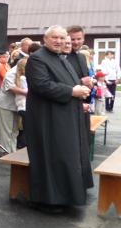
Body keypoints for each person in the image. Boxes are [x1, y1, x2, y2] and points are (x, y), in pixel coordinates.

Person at [25, 26, 93, 212]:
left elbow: (69, 82)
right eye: (54, 37)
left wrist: (80, 89)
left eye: (62, 38)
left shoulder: (60, 57)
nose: (59, 41)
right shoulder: (37, 59)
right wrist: (72, 91)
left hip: (63, 116)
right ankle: (47, 201)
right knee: (51, 158)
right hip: (46, 119)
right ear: (45, 39)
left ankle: (65, 197)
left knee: (65, 156)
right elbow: (41, 85)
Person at [0, 59, 28, 153]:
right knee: (6, 131)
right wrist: (29, 93)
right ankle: (5, 153)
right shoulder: (11, 73)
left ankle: (12, 152)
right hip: (5, 105)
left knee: (14, 131)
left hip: (15, 106)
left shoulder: (22, 72)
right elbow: (12, 89)